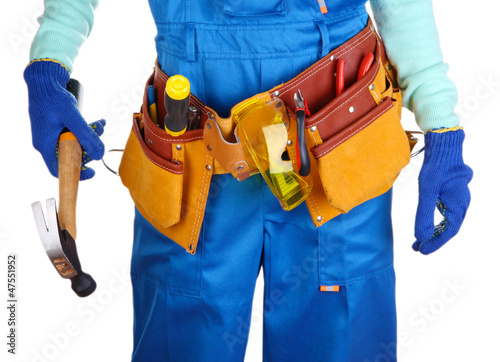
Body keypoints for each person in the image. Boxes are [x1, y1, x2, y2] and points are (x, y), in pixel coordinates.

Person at [24, 0, 473, 360]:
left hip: (334, 148)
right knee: (181, 344)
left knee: (340, 339)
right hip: (192, 157)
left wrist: (442, 126)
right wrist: (48, 68)